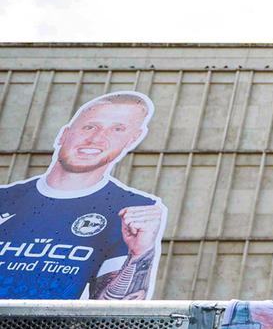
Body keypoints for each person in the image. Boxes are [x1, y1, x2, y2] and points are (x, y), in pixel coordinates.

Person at [0, 91, 166, 300]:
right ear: (64, 134)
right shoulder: (6, 199)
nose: (95, 139)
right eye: (90, 126)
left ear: (132, 139)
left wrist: (139, 254)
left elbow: (111, 322)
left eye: (117, 129)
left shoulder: (132, 209)